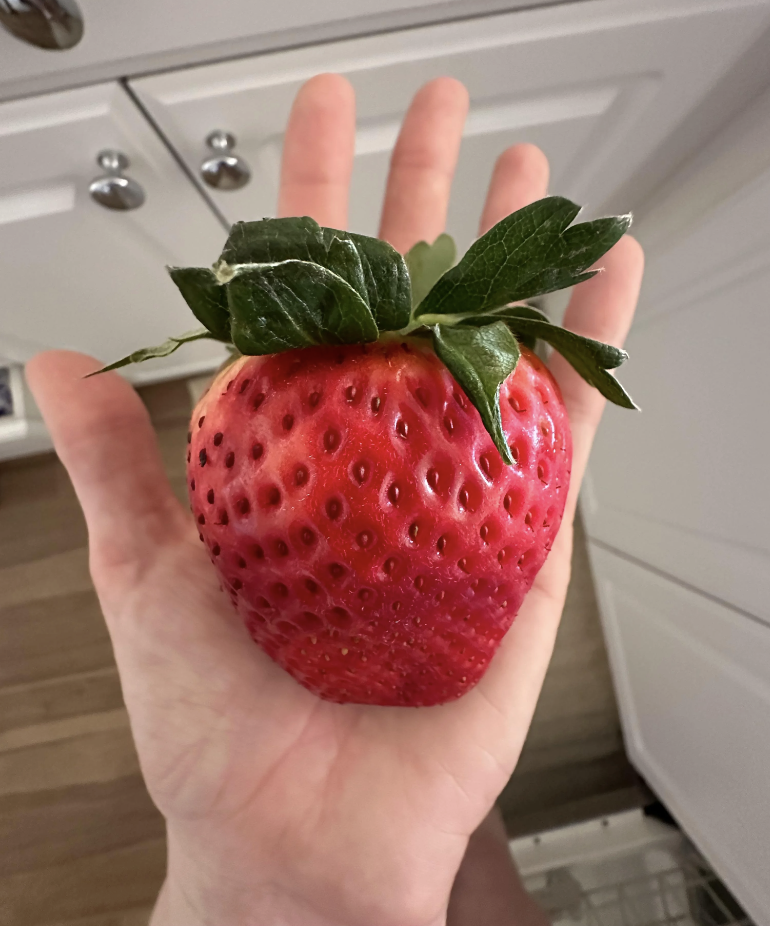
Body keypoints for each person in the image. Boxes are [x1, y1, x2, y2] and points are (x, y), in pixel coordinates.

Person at [26, 74, 643, 926]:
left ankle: (463, 836)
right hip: (419, 693)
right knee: (479, 870)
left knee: (467, 851)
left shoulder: (254, 421)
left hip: (363, 679)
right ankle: (466, 838)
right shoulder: (497, 412)